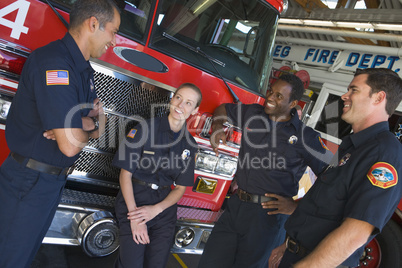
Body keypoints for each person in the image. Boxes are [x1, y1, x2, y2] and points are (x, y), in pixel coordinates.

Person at [0, 1, 120, 267]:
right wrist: (82, 125)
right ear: (92, 24)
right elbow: (69, 145)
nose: (114, 40)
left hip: (49, 184)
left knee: (23, 257)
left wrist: (82, 125)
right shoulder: (55, 65)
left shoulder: (84, 71)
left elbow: (99, 125)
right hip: (28, 183)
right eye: (113, 31)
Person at [269, 68, 402, 268]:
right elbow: (331, 201)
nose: (344, 96)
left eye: (354, 90)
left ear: (378, 97)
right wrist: (288, 244)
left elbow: (356, 232)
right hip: (297, 253)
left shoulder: (384, 153)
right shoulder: (351, 146)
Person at [198, 74, 333, 268]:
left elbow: (332, 177)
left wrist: (298, 208)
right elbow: (223, 109)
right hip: (235, 207)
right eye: (271, 91)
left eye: (279, 96)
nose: (270, 97)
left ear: (293, 103)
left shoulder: (306, 137)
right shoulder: (253, 113)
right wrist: (218, 126)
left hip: (267, 218)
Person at [113, 83, 202, 268]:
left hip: (164, 209)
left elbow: (180, 188)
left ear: (195, 110)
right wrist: (136, 218)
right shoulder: (144, 128)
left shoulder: (190, 145)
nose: (180, 105)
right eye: (178, 98)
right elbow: (125, 175)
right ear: (172, 99)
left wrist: (157, 210)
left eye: (188, 103)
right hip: (135, 201)